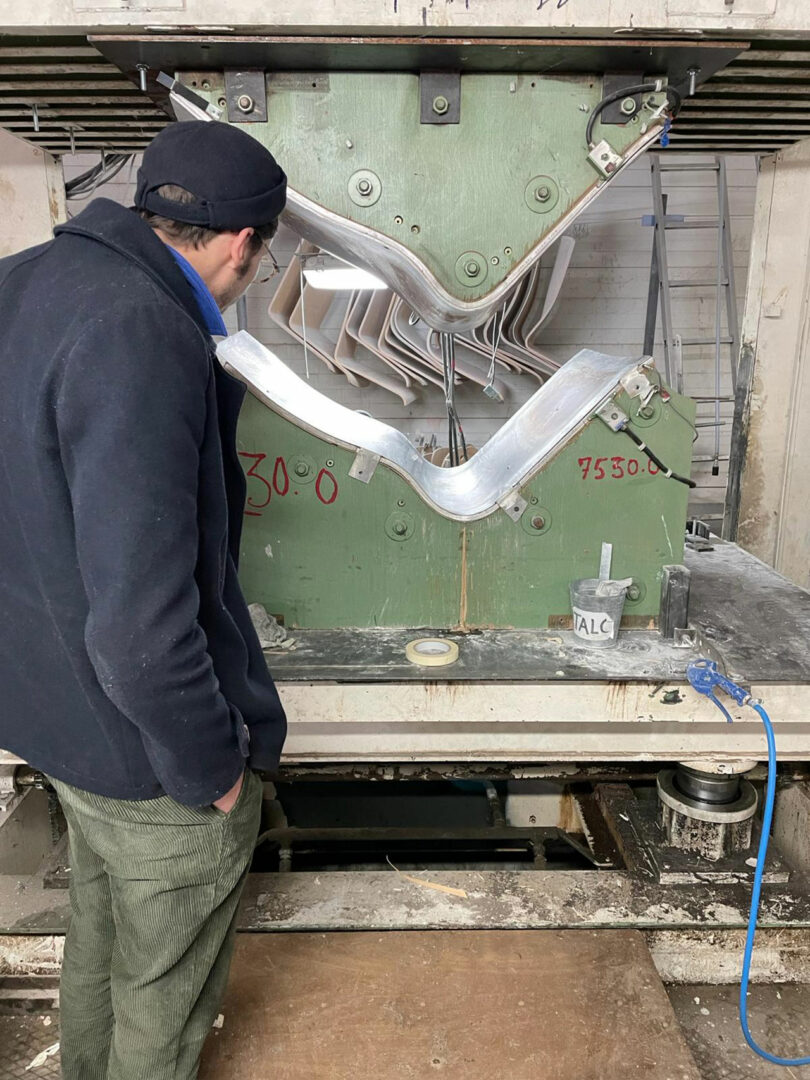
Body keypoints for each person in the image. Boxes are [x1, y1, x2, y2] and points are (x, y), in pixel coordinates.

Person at [0, 120, 288, 1079]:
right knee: (164, 994)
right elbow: (141, 630)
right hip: (143, 744)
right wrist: (212, 769)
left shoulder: (22, 281)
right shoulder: (143, 329)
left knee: (104, 932)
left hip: (50, 712)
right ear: (243, 244)